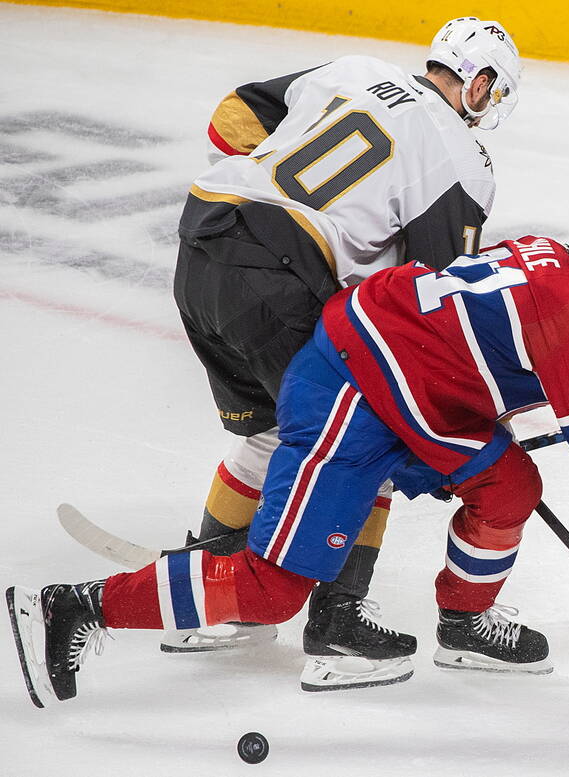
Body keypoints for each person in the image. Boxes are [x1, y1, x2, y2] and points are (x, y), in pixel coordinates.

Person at [7, 205, 569, 706]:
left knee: (508, 484)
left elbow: (503, 361)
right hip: (355, 390)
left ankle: (465, 623)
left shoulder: (552, 261)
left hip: (419, 387)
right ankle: (75, 607)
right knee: (273, 589)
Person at [163, 16, 522, 673]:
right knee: (375, 426)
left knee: (276, 430)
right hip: (278, 277)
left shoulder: (356, 69)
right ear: (482, 81)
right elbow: (438, 299)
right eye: (492, 94)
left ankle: (212, 592)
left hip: (202, 238)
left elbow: (231, 118)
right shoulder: (461, 159)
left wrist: (264, 198)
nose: (486, 111)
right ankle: (339, 618)